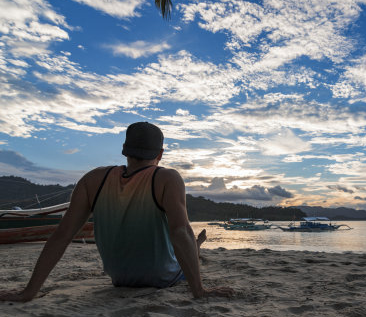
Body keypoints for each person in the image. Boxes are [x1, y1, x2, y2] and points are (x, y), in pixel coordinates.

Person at [0, 122, 232, 302]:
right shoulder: (167, 178)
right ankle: (197, 247)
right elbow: (180, 231)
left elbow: (62, 236)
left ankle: (196, 248)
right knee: (185, 240)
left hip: (120, 279)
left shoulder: (92, 179)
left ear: (124, 150)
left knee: (181, 243)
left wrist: (28, 292)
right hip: (161, 278)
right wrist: (199, 291)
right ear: (160, 154)